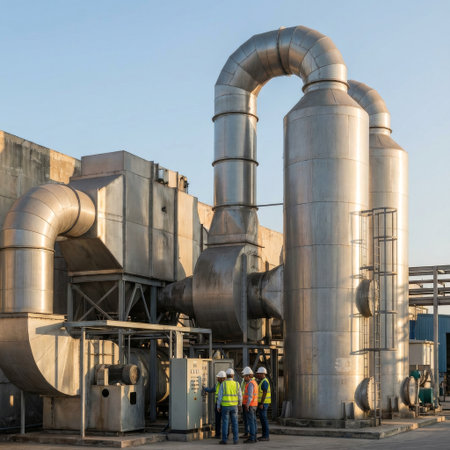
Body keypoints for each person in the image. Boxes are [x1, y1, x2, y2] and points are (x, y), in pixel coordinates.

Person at [217, 368, 242, 445]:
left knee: (225, 423)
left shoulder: (223, 384)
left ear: (226, 376)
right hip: (234, 406)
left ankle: (224, 440)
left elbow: (220, 396)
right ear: (233, 376)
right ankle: (236, 440)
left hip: (225, 406)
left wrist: (218, 405)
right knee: (235, 423)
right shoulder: (237, 384)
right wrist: (240, 404)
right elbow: (240, 396)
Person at [203, 371, 226, 439]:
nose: (217, 378)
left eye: (218, 377)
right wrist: (205, 388)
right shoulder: (217, 385)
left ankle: (224, 435)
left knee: (225, 421)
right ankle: (218, 434)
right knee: (218, 420)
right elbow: (211, 390)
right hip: (218, 405)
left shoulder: (225, 385)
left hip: (224, 405)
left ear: (222, 378)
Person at [241, 366, 258, 444]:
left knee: (251, 422)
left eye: (244, 376)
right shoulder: (254, 383)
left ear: (248, 376)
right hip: (254, 405)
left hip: (250, 405)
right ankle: (254, 437)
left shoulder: (250, 384)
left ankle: (252, 438)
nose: (244, 378)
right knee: (253, 421)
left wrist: (247, 405)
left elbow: (250, 396)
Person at [255, 366, 271, 441]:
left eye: (258, 374)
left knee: (264, 420)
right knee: (262, 420)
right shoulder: (262, 381)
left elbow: (264, 393)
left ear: (262, 374)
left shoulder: (264, 381)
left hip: (263, 404)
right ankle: (264, 435)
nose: (257, 375)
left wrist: (261, 403)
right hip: (263, 403)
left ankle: (266, 436)